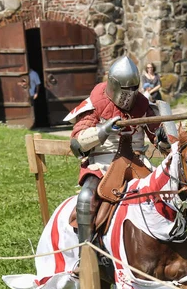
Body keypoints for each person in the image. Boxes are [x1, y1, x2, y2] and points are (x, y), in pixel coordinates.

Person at [63, 55, 169, 244]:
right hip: (103, 164)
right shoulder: (95, 104)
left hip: (137, 162)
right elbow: (77, 144)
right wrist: (102, 131)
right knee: (86, 198)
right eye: (124, 89)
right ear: (113, 85)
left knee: (165, 193)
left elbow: (159, 139)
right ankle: (86, 253)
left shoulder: (143, 107)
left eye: (132, 89)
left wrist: (163, 139)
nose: (128, 95)